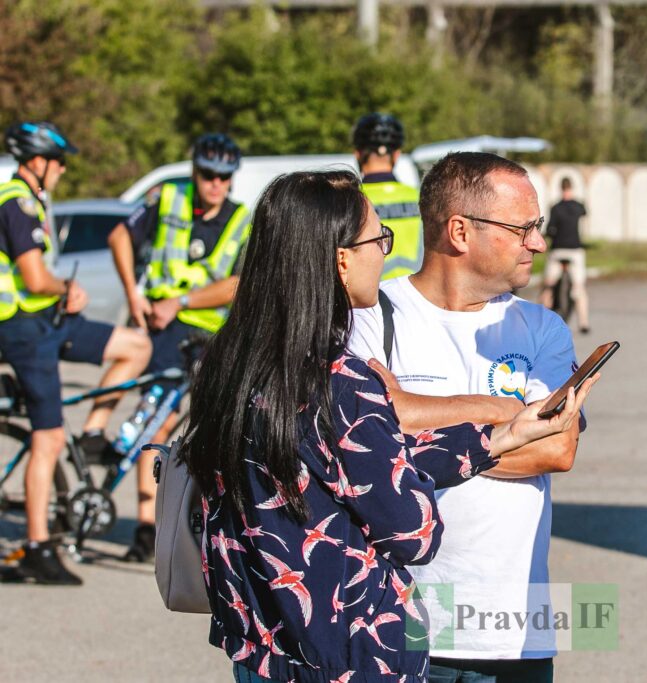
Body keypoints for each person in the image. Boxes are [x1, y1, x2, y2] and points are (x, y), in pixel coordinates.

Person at [180, 169, 594, 682]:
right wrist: (479, 415)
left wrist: (490, 430)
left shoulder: (230, 363)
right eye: (379, 238)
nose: (386, 250)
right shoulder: (342, 378)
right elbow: (411, 529)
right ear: (339, 258)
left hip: (266, 644)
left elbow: (370, 451)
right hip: (345, 652)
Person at [347, 152, 585, 683]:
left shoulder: (542, 327)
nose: (539, 243)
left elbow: (555, 448)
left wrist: (407, 413)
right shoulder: (367, 317)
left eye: (538, 228)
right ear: (458, 231)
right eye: (522, 228)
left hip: (514, 635)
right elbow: (357, 445)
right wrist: (509, 416)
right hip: (398, 629)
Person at [0, 121, 151, 584]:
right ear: (37, 161)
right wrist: (67, 287)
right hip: (23, 331)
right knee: (46, 439)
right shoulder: (16, 202)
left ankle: (92, 432)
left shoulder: (32, 200)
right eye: (59, 162)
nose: (63, 170)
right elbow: (32, 277)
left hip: (49, 322)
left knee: (135, 346)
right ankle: (37, 547)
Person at [107, 132, 251, 562]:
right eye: (208, 175)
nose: (215, 185)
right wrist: (134, 294)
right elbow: (119, 236)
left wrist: (181, 301)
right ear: (195, 172)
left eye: (224, 178)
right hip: (165, 333)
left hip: (212, 335)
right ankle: (145, 525)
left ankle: (208, 524)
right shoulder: (168, 197)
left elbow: (237, 283)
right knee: (156, 422)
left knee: (215, 430)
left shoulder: (241, 217)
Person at [352, 112, 422, 280]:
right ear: (396, 154)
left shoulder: (351, 200)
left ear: (358, 154)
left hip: (369, 299)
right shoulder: (421, 198)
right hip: (416, 297)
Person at [539, 177, 590, 333]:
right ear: (572, 188)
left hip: (558, 250)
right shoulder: (579, 206)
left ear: (561, 188)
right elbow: (585, 214)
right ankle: (584, 323)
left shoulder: (555, 208)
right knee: (579, 287)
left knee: (548, 285)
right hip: (575, 251)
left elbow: (550, 230)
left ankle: (541, 320)